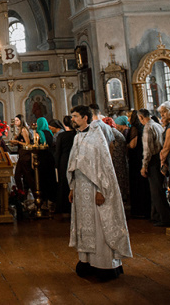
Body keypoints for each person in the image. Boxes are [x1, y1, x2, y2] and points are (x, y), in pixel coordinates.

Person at [67, 105, 131, 280]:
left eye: (75, 116)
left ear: (85, 117)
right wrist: (72, 188)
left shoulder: (96, 136)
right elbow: (73, 164)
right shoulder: (78, 136)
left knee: (99, 226)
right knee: (84, 226)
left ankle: (104, 265)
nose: (72, 119)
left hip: (95, 188)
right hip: (80, 190)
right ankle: (87, 262)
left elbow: (104, 165)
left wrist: (102, 189)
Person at [137, 109, 170, 227]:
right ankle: (157, 215)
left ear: (141, 117)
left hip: (153, 160)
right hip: (159, 158)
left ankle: (165, 218)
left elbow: (147, 150)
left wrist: (144, 166)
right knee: (159, 189)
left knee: (156, 191)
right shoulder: (157, 125)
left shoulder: (148, 128)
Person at [53, 116, 75, 219]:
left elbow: (58, 151)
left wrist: (56, 164)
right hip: (75, 159)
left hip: (64, 160)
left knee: (64, 182)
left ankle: (64, 207)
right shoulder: (77, 134)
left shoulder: (61, 136)